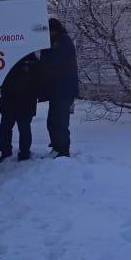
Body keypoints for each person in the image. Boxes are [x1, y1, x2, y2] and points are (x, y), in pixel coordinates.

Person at [39, 18, 79, 157]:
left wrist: (42, 55)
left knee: (60, 121)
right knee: (53, 120)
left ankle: (62, 150)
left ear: (53, 30)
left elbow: (53, 61)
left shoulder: (63, 41)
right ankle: (57, 146)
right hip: (58, 90)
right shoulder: (58, 41)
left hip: (64, 89)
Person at [0, 53, 39, 163]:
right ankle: (6, 152)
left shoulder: (31, 58)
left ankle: (24, 153)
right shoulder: (7, 55)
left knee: (23, 128)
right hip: (10, 99)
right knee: (6, 128)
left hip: (26, 100)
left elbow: (38, 74)